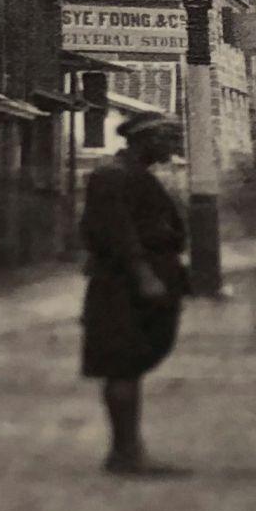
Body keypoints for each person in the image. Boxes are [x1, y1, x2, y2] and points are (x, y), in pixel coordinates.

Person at [80, 114, 191, 474]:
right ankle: (125, 453)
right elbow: (120, 234)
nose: (173, 146)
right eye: (167, 138)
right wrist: (144, 277)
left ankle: (128, 450)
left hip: (138, 279)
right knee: (122, 364)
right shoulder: (113, 176)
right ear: (146, 139)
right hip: (123, 285)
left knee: (132, 362)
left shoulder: (135, 175)